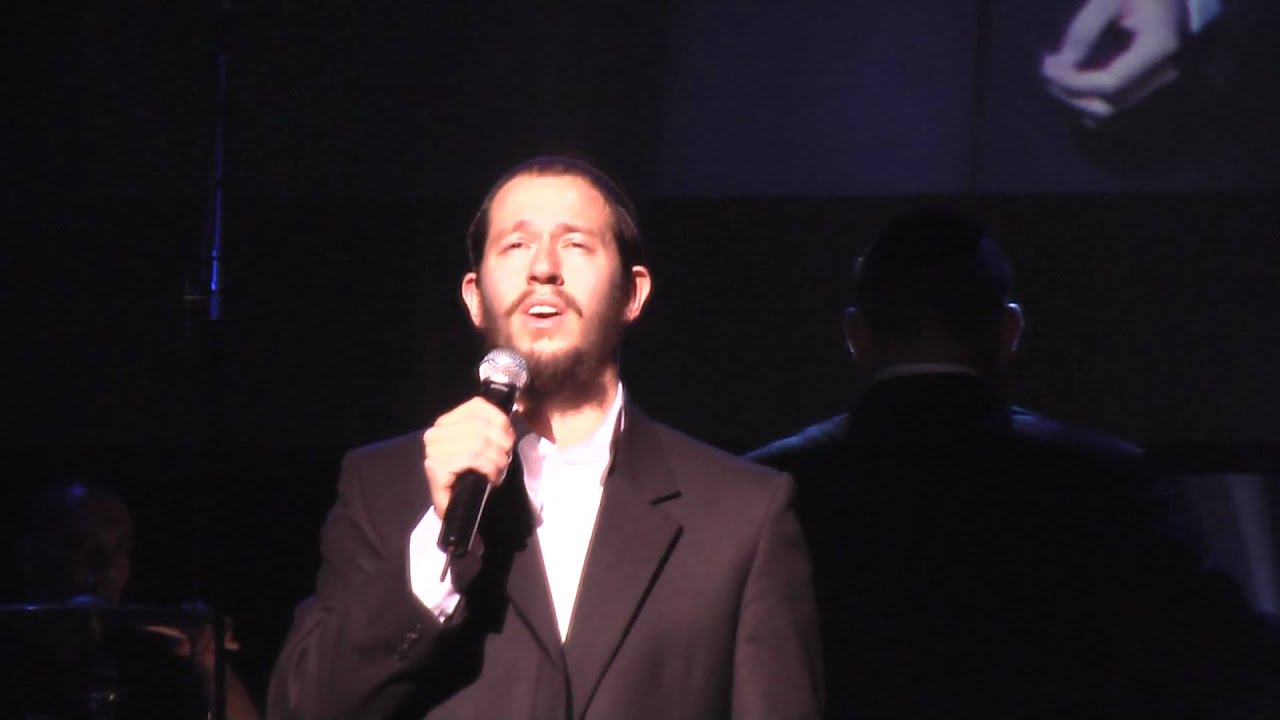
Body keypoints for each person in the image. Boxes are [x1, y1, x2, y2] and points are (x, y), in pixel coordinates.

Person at [267, 156, 823, 719]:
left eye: (575, 244)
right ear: (474, 297)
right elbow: (302, 707)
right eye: (516, 245)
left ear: (632, 294)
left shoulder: (742, 514)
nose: (543, 268)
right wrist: (437, 540)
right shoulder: (382, 488)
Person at [746, 208, 1271, 718]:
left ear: (857, 336)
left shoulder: (767, 487)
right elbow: (1218, 654)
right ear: (1008, 332)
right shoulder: (1106, 481)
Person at [5, 480, 261, 720]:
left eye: (120, 548)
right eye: (78, 544)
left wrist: (209, 660)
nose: (106, 566)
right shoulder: (12, 659)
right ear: (29, 556)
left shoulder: (153, 659)